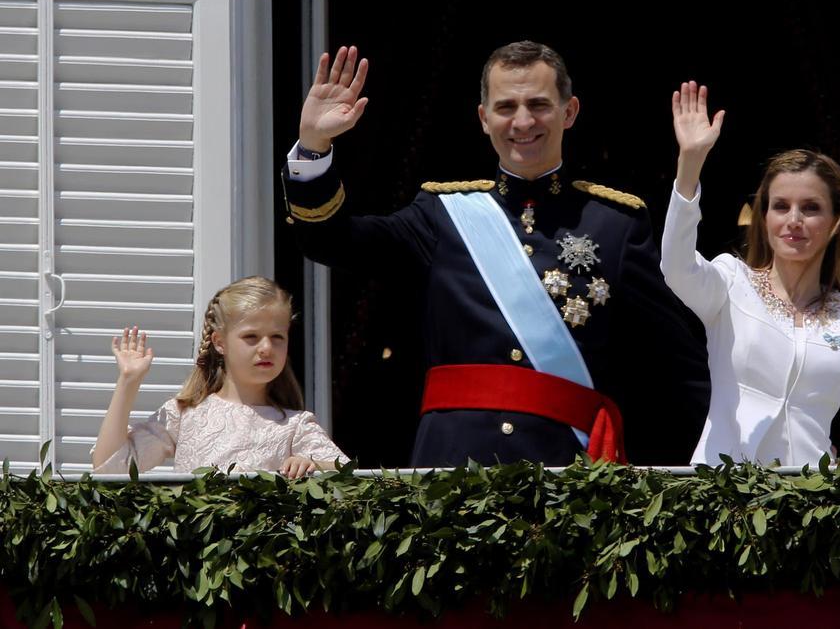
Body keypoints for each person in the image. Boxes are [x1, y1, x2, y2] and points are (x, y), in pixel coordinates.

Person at [280, 42, 710, 467]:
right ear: (484, 119)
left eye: (538, 104)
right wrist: (314, 146)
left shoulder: (616, 225)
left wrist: (740, 474)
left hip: (570, 478)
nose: (522, 121)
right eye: (506, 107)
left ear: (570, 111)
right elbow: (330, 239)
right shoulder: (440, 214)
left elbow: (678, 367)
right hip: (453, 473)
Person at [661, 81, 840, 466]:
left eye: (810, 208)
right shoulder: (731, 282)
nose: (794, 221)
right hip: (720, 498)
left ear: (836, 221)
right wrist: (690, 164)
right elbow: (676, 267)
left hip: (809, 505)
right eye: (780, 206)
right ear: (764, 217)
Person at [91, 276, 347, 476]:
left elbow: (349, 476)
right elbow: (111, 468)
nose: (267, 347)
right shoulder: (183, 415)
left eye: (277, 337)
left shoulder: (295, 425)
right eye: (251, 337)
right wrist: (128, 382)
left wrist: (313, 466)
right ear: (219, 342)